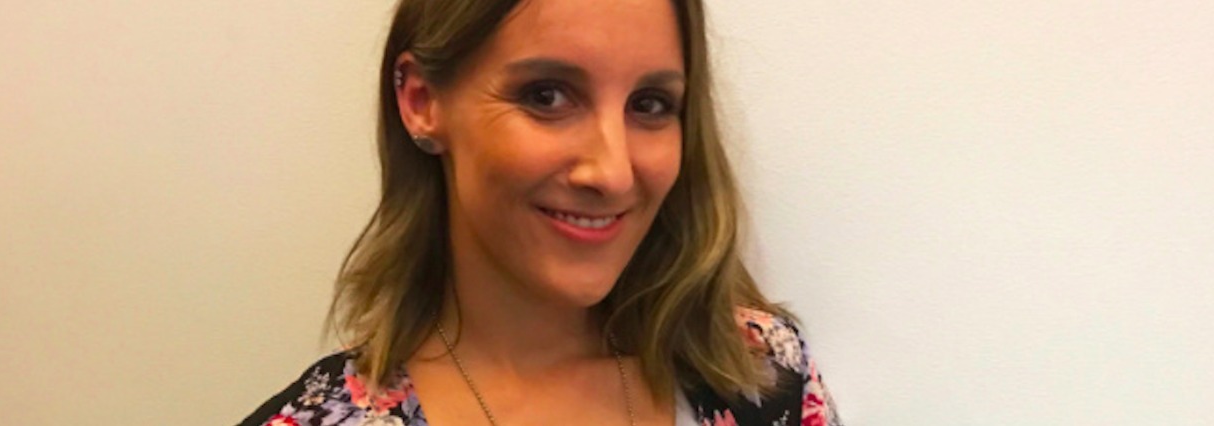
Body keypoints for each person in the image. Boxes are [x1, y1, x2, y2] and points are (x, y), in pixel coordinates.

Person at [240, 0, 841, 425]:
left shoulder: (762, 375)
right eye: (547, 95)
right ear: (422, 101)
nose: (612, 172)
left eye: (650, 104)